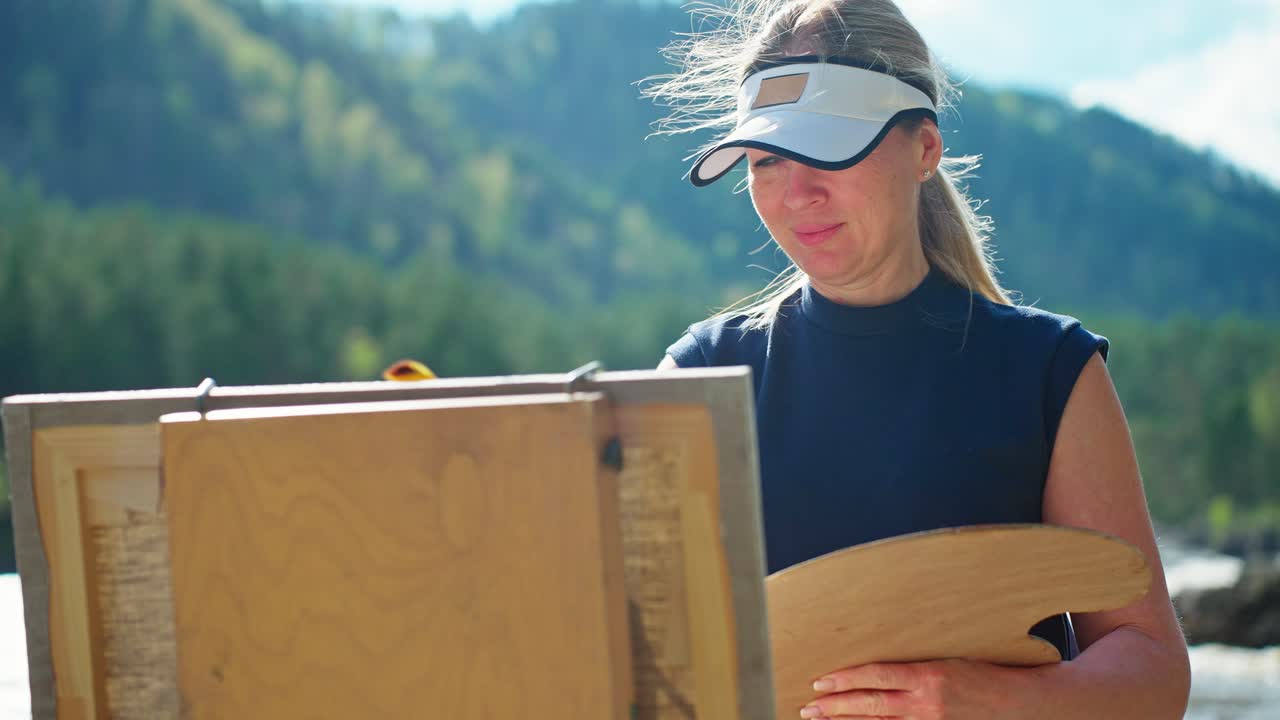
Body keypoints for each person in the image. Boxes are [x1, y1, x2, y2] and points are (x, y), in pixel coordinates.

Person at [646, 1, 1191, 717]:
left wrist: (986, 699)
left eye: (827, 150)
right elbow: (633, 655)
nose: (796, 192)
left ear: (924, 150)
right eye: (766, 161)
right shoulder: (698, 380)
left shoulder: (1048, 370)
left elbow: (1154, 671)